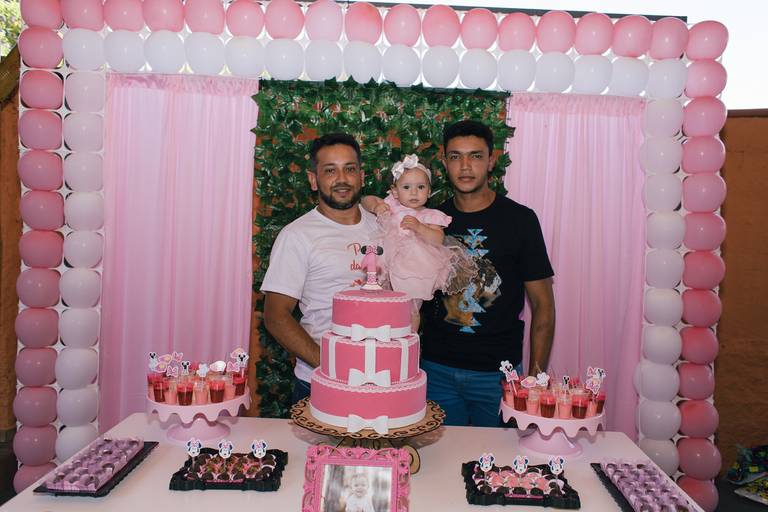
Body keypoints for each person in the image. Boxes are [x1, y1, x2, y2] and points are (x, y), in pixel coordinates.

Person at [419, 120, 556, 427]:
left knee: (499, 457)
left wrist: (534, 381)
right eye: (456, 156)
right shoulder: (430, 222)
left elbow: (543, 306)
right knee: (442, 456)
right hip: (436, 371)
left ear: (492, 160)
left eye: (476, 156)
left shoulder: (520, 220)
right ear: (444, 161)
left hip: (499, 375)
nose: (465, 166)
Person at [261, 133, 379, 405]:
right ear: (313, 180)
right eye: (330, 171)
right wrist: (329, 365)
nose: (342, 179)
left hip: (382, 380)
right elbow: (275, 316)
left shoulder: (384, 226)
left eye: (350, 169)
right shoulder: (297, 235)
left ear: (361, 176)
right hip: (319, 382)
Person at [361, 154, 476, 330]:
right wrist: (376, 206)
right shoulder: (392, 204)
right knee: (383, 300)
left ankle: (409, 336)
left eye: (421, 187)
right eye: (406, 187)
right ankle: (385, 332)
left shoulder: (430, 215)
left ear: (429, 192)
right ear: (395, 191)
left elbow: (438, 239)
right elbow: (365, 199)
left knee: (412, 307)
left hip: (415, 266)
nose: (414, 193)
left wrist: (420, 228)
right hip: (388, 260)